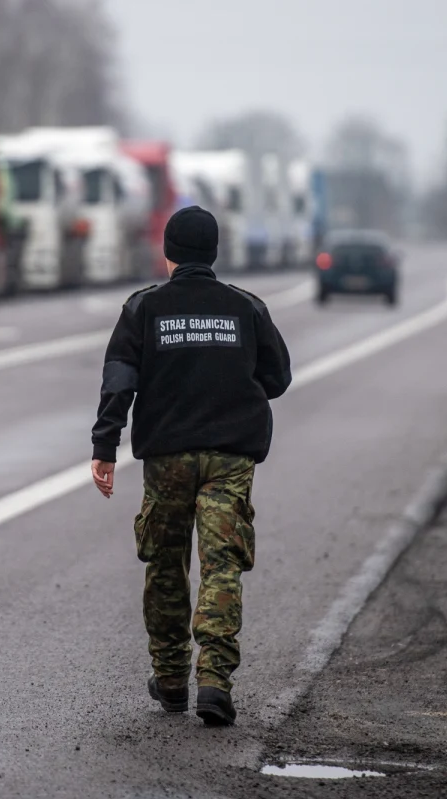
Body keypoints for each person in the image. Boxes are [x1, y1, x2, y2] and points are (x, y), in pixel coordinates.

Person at [90, 206, 291, 727]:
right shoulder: (246, 308)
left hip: (167, 457)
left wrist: (105, 447)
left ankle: (172, 678)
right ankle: (215, 682)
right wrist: (233, 393)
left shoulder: (144, 309)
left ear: (169, 251)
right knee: (222, 565)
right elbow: (278, 376)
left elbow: (119, 382)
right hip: (230, 456)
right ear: (216, 252)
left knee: (165, 563)